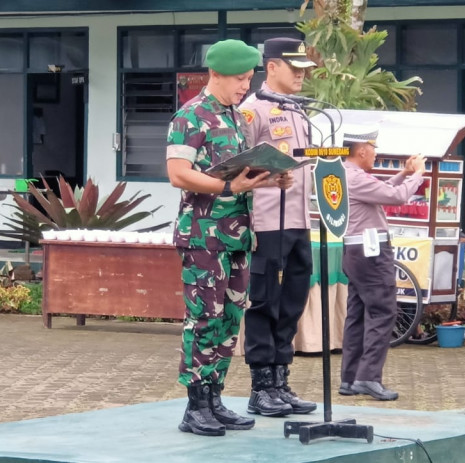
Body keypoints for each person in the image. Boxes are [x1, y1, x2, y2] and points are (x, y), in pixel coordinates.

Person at [166, 39, 292, 437]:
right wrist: (228, 190)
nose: (245, 86)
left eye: (249, 78)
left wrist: (272, 178)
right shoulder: (191, 117)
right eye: (239, 79)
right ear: (215, 74)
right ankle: (195, 404)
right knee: (203, 319)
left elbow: (240, 178)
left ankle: (216, 398)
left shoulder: (238, 118)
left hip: (238, 236)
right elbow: (178, 173)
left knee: (229, 319)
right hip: (203, 237)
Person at [238, 37, 318, 417]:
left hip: (300, 218)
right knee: (264, 300)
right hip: (267, 220)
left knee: (293, 299)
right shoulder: (254, 111)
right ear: (272, 67)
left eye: (305, 68)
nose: (302, 74)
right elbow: (238, 167)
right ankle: (261, 385)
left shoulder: (299, 111)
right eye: (294, 67)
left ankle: (281, 379)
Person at [338, 127, 425, 401]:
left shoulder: (345, 174)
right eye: (374, 148)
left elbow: (383, 189)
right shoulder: (354, 178)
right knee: (383, 312)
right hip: (371, 252)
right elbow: (396, 196)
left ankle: (350, 378)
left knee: (358, 315)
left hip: (356, 250)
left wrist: (404, 174)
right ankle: (368, 377)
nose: (376, 154)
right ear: (362, 150)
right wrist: (420, 174)